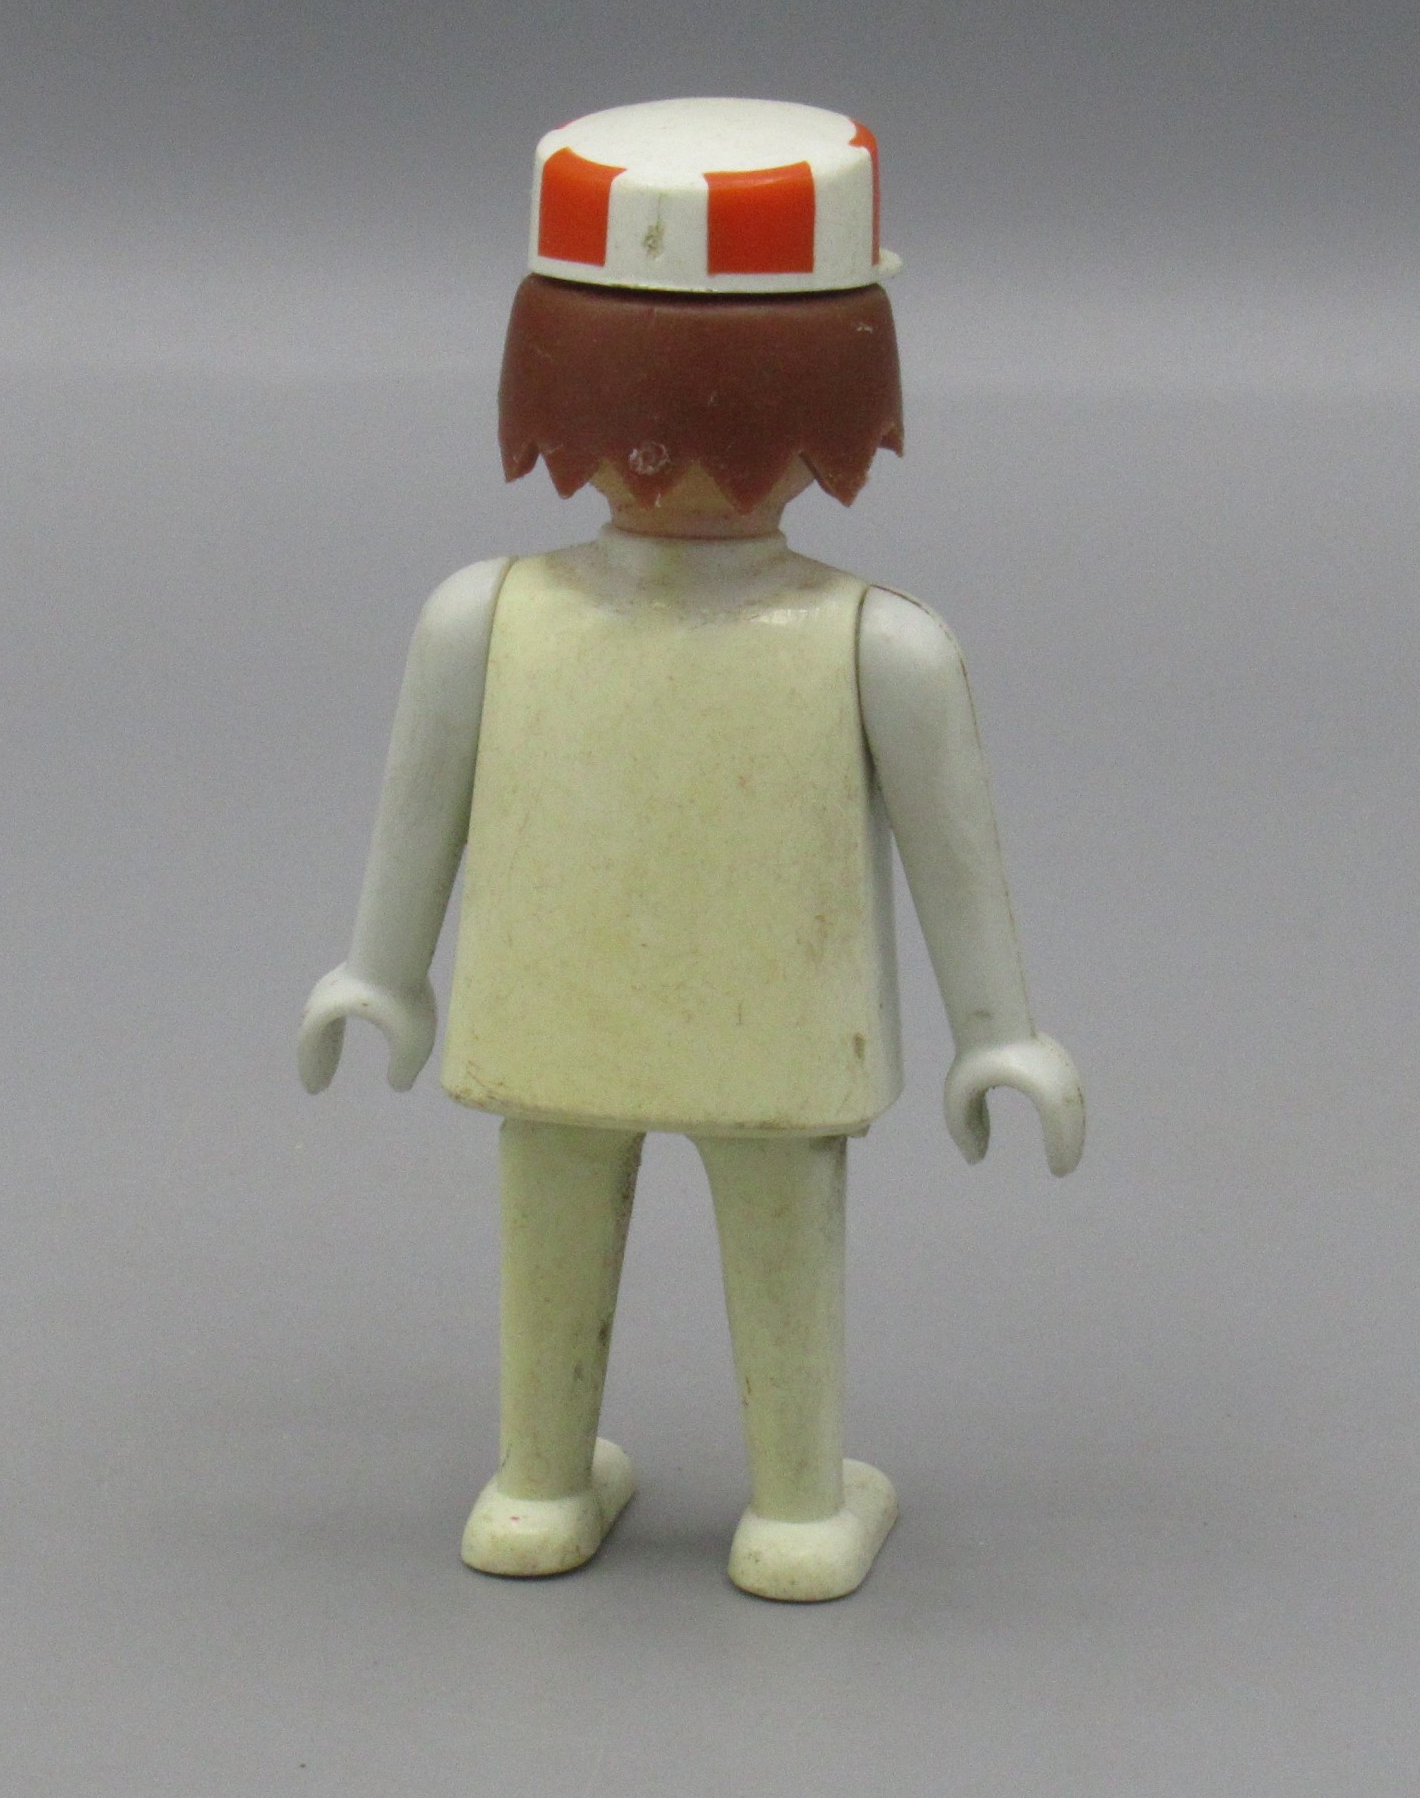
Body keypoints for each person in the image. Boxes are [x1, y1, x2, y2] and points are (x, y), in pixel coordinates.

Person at [299, 98, 1082, 1601]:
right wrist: (999, 1034)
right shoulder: (878, 643)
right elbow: (950, 848)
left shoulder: (488, 616)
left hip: (560, 1007)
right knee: (771, 1231)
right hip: (767, 1029)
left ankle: (543, 1486)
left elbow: (422, 806)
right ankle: (789, 1511)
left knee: (561, 1220)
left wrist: (381, 973)